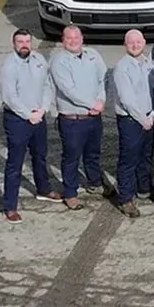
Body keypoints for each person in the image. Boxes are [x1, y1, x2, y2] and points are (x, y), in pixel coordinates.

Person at [0, 29, 59, 222]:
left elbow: (47, 86)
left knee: (40, 155)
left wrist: (42, 110)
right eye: (20, 41)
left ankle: (43, 189)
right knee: (15, 163)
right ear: (13, 44)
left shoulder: (39, 60)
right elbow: (10, 97)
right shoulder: (9, 66)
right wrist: (28, 115)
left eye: (27, 41)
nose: (24, 44)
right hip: (18, 119)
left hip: (38, 116)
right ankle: (10, 206)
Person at [49, 26, 108, 211]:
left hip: (93, 117)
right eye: (68, 38)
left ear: (82, 38)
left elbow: (103, 79)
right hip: (72, 119)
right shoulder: (59, 61)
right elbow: (68, 90)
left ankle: (95, 183)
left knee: (93, 153)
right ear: (63, 39)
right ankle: (70, 193)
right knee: (71, 157)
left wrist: (101, 99)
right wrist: (92, 104)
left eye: (76, 37)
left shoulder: (93, 55)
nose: (73, 41)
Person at [111, 29, 154, 219]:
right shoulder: (122, 67)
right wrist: (142, 118)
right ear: (125, 45)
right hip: (131, 119)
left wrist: (153, 113)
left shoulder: (147, 63)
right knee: (128, 160)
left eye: (138, 42)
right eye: (131, 43)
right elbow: (127, 99)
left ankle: (144, 188)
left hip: (148, 117)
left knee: (145, 156)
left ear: (144, 42)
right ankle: (126, 198)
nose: (135, 45)